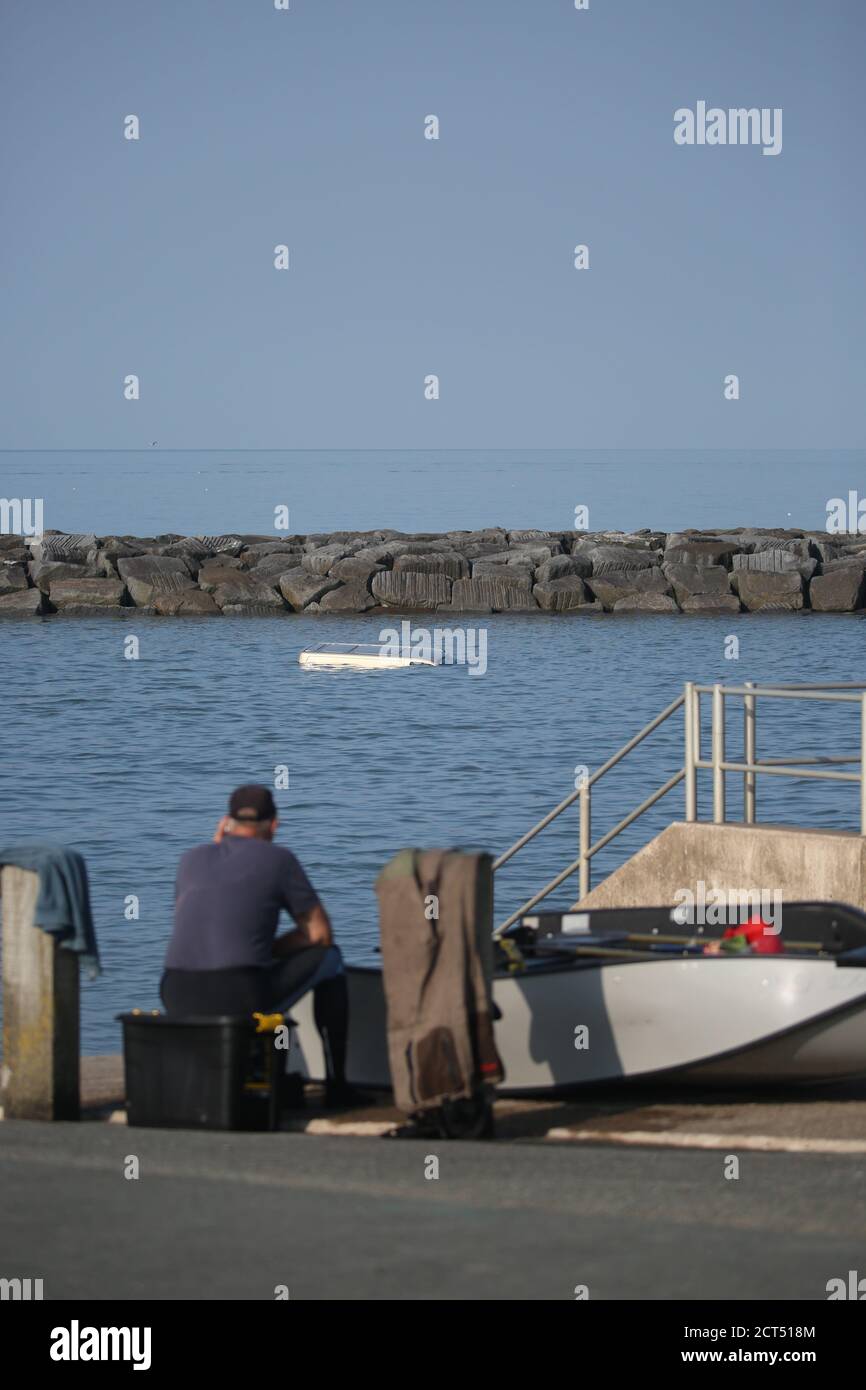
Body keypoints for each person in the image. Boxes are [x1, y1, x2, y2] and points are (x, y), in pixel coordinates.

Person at [161, 784, 367, 1108]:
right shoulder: (279, 859)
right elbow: (320, 934)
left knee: (247, 965)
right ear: (274, 825)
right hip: (238, 994)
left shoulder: (190, 859)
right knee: (331, 958)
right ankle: (337, 1084)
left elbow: (205, 921)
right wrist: (269, 949)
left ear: (226, 822)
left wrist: (218, 848)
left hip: (175, 992)